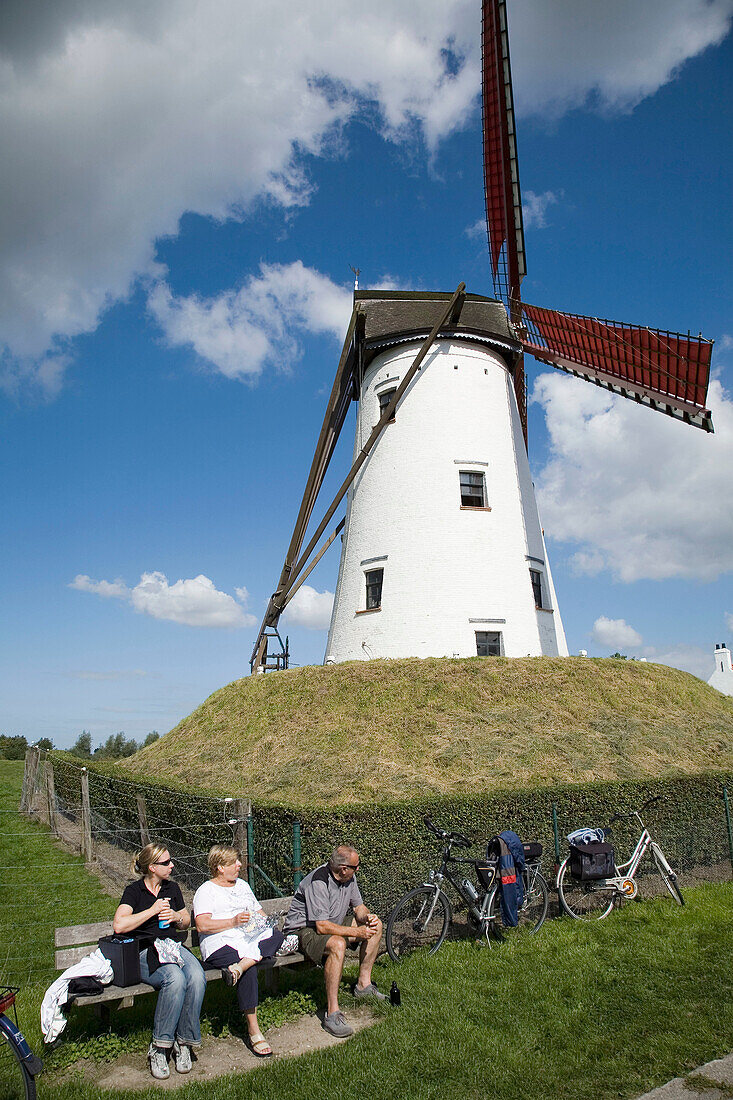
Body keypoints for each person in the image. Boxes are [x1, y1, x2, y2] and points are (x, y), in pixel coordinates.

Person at [113, 842, 206, 1080]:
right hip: (144, 951)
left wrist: (176, 917)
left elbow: (186, 920)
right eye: (166, 863)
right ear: (152, 867)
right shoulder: (134, 892)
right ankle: (160, 1046)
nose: (172, 865)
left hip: (171, 946)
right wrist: (152, 911)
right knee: (174, 978)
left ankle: (183, 1042)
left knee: (196, 976)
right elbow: (119, 925)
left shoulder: (172, 888)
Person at [282, 844, 384, 1038]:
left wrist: (367, 918)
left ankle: (364, 985)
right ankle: (332, 1013)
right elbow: (321, 927)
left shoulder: (349, 877)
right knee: (337, 943)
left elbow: (359, 907)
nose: (358, 869)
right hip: (303, 931)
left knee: (376, 925)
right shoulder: (318, 881)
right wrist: (357, 932)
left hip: (330, 924)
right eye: (356, 866)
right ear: (343, 868)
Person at [193, 845, 284, 1057]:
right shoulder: (206, 891)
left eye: (238, 861)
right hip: (220, 943)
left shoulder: (242, 885)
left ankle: (239, 967)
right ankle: (254, 1030)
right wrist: (233, 921)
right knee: (250, 967)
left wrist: (265, 921)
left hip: (248, 937)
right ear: (219, 868)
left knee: (277, 935)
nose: (239, 865)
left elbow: (258, 912)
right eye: (233, 862)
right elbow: (202, 925)